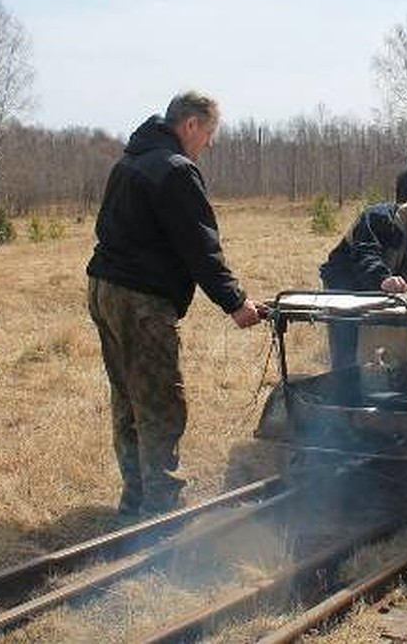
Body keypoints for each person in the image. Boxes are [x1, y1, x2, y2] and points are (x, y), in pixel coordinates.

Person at [87, 91, 264, 516]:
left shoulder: (131, 160)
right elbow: (200, 247)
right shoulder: (175, 170)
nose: (209, 143)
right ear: (190, 125)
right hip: (139, 299)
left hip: (103, 289)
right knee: (159, 403)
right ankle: (159, 512)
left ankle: (135, 501)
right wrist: (235, 302)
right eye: (209, 133)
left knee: (128, 398)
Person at [319, 183, 407, 367]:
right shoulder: (378, 218)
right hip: (345, 286)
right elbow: (365, 255)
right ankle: (345, 391)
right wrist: (383, 279)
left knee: (387, 352)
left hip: (383, 294)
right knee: (349, 349)